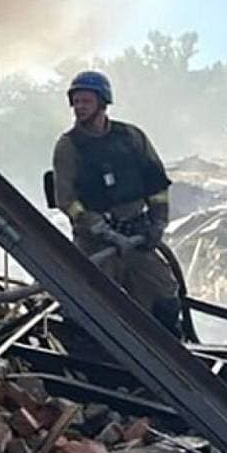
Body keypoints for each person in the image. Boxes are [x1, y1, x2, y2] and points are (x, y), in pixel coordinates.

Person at [50, 69, 182, 334]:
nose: (79, 107)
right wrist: (98, 227)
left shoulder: (131, 137)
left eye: (86, 101)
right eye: (76, 101)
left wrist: (158, 224)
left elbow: (156, 184)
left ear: (102, 102)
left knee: (163, 294)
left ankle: (169, 351)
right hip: (95, 245)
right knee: (88, 306)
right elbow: (66, 199)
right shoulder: (68, 146)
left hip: (137, 235)